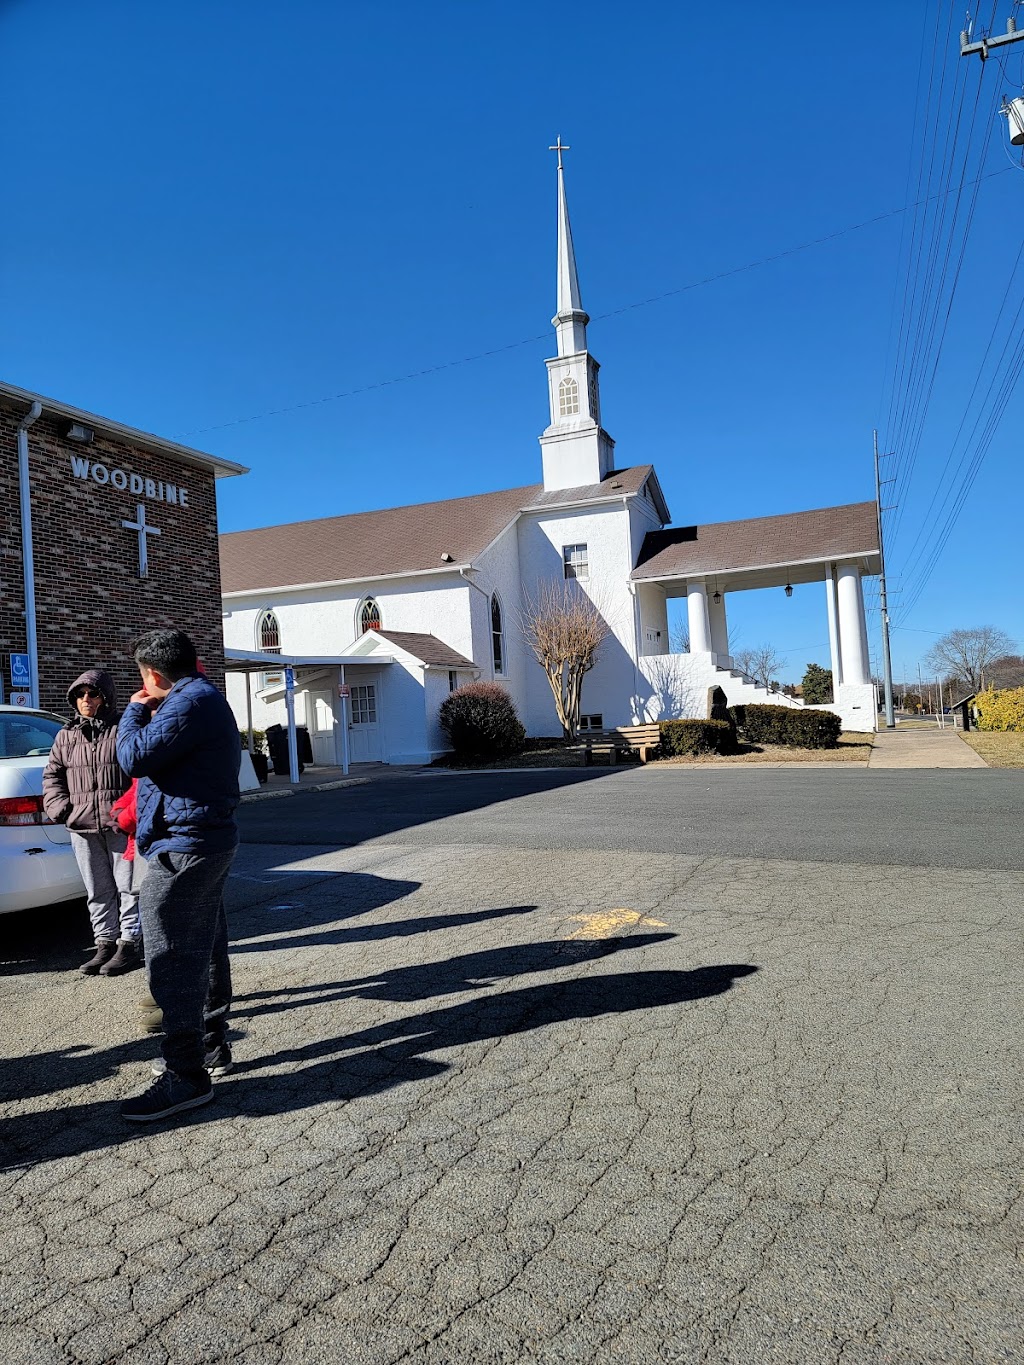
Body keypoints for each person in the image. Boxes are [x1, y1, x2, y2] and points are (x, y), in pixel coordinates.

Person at [116, 629, 240, 1123]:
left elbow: (133, 756)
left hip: (185, 848)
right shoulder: (199, 697)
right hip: (196, 840)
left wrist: (132, 709)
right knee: (205, 945)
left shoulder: (189, 703)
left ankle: (185, 1075)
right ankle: (208, 1048)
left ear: (152, 674)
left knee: (171, 956)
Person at [42, 670, 140, 975]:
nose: (86, 699)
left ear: (106, 697)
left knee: (128, 887)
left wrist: (131, 812)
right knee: (97, 888)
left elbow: (142, 769)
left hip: (120, 824)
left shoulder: (124, 727)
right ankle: (105, 943)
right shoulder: (66, 735)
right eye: (81, 694)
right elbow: (53, 776)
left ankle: (130, 944)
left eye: (93, 693)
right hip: (82, 826)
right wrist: (63, 811)